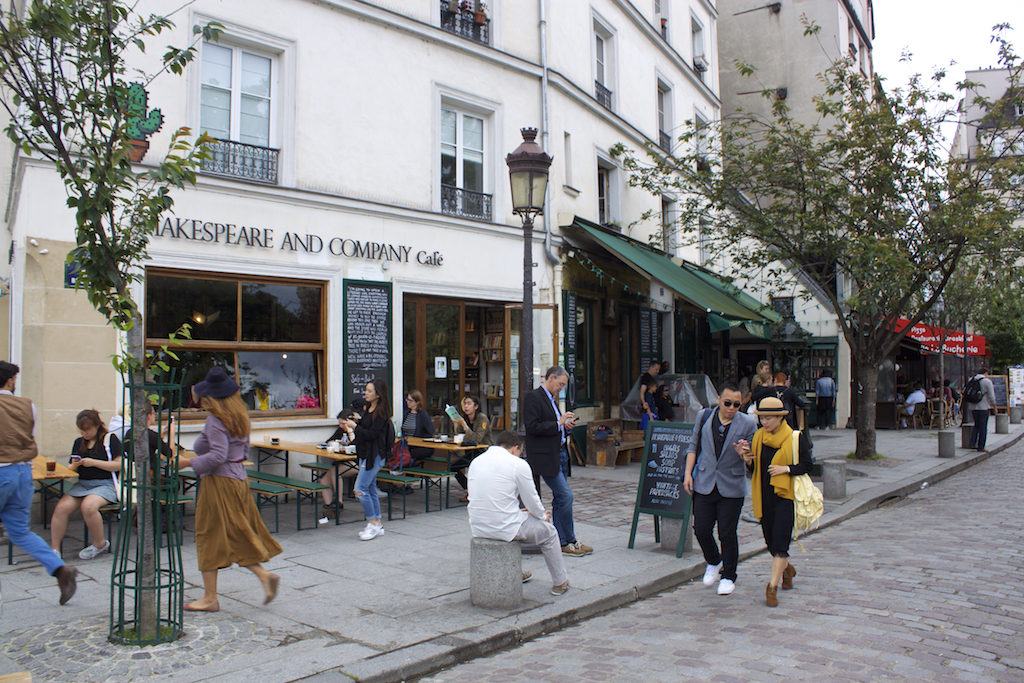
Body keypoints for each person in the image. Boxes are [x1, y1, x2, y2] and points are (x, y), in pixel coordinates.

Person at [176, 367, 281, 612]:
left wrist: (185, 462)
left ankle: (210, 598)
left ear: (211, 398)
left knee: (208, 535)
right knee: (237, 533)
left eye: (203, 396)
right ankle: (263, 576)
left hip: (219, 483)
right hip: (238, 480)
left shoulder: (215, 420)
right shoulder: (240, 417)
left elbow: (217, 456)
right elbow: (240, 453)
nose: (200, 400)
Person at [0, 361, 77, 604]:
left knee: (19, 531)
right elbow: (28, 437)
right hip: (23, 471)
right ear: (10, 380)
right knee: (20, 531)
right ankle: (59, 568)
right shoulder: (27, 405)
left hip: (1, 470)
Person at [467, 430, 570, 596]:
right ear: (515, 448)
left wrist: (519, 512)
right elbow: (532, 500)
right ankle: (560, 582)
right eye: (521, 452)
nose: (521, 455)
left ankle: (514, 571)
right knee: (549, 532)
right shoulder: (518, 464)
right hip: (504, 527)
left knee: (519, 519)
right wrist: (542, 515)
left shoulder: (476, 462)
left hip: (478, 525)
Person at [737, 396, 813, 607]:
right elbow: (755, 470)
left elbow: (808, 465)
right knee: (771, 544)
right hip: (764, 498)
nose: (765, 422)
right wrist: (747, 460)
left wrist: (786, 469)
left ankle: (772, 587)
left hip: (785, 498)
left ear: (780, 418)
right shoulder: (759, 437)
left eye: (769, 418)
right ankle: (787, 569)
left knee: (780, 544)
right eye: (762, 418)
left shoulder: (794, 438)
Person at [683, 382, 756, 596]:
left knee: (727, 532)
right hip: (705, 481)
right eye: (728, 403)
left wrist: (744, 454)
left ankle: (729, 575)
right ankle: (714, 561)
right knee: (702, 529)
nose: (732, 408)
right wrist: (688, 474)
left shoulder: (748, 423)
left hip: (732, 485)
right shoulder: (704, 416)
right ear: (719, 401)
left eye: (737, 404)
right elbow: (693, 446)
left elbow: (751, 461)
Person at [523, 366, 593, 557]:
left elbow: (555, 426)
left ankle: (566, 540)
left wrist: (565, 427)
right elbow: (532, 426)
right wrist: (558, 423)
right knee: (566, 496)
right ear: (551, 378)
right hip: (546, 456)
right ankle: (566, 541)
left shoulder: (552, 399)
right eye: (561, 384)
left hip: (560, 452)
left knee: (560, 499)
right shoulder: (534, 397)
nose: (562, 388)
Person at [50, 409, 123, 560]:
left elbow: (119, 465)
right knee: (61, 508)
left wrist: (93, 462)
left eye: (88, 430)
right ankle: (54, 549)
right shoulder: (79, 442)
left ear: (97, 426)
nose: (85, 434)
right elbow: (71, 467)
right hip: (83, 484)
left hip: (105, 484)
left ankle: (100, 543)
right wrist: (75, 465)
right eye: (82, 430)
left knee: (88, 506)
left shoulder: (110, 439)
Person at [343, 378, 392, 541]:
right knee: (370, 489)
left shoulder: (381, 414)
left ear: (378, 394)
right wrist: (355, 423)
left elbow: (371, 434)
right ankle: (377, 523)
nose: (366, 393)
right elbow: (365, 429)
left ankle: (371, 523)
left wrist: (355, 427)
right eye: (366, 390)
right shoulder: (369, 410)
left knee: (360, 489)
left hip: (374, 455)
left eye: (369, 391)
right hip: (365, 454)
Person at [451, 395, 493, 501]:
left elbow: (477, 439)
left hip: (484, 452)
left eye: (469, 403)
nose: (466, 406)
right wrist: (456, 424)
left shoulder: (482, 418)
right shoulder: (463, 418)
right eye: (465, 404)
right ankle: (469, 490)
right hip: (470, 451)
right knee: (453, 467)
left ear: (476, 406)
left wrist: (465, 425)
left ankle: (474, 493)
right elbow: (459, 436)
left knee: (474, 469)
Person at [321, 409, 358, 513]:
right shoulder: (340, 430)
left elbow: (355, 444)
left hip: (356, 463)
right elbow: (328, 441)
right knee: (324, 481)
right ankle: (329, 506)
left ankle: (339, 502)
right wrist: (332, 443)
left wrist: (350, 430)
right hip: (343, 461)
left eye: (343, 423)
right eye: (340, 423)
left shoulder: (358, 430)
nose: (341, 426)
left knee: (335, 472)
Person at [966, 368, 996, 452]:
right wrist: (994, 406)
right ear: (985, 373)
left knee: (976, 425)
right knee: (983, 427)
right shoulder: (987, 382)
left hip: (972, 406)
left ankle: (972, 443)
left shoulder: (971, 380)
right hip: (983, 407)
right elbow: (991, 396)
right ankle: (981, 446)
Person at [401, 390, 434, 464]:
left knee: (407, 455)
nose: (407, 402)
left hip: (419, 447)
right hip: (408, 446)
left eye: (410, 400)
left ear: (417, 402)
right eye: (407, 399)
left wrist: (417, 440)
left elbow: (430, 432)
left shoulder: (423, 415)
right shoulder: (407, 414)